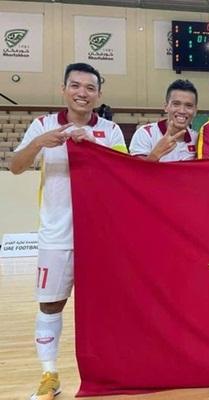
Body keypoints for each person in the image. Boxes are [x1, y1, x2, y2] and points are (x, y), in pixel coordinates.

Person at [9, 63, 127, 400]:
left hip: (99, 237)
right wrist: (39, 143)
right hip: (56, 236)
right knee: (51, 305)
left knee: (104, 309)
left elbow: (123, 175)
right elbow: (15, 166)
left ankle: (108, 373)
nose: (82, 93)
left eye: (90, 88)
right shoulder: (43, 125)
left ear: (99, 94)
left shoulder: (110, 131)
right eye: (75, 86)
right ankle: (49, 375)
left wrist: (95, 148)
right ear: (63, 89)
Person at [130, 79, 198, 161]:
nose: (182, 111)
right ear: (166, 107)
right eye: (176, 104)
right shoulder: (145, 133)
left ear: (195, 111)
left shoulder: (197, 139)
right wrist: (156, 154)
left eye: (188, 105)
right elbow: (135, 168)